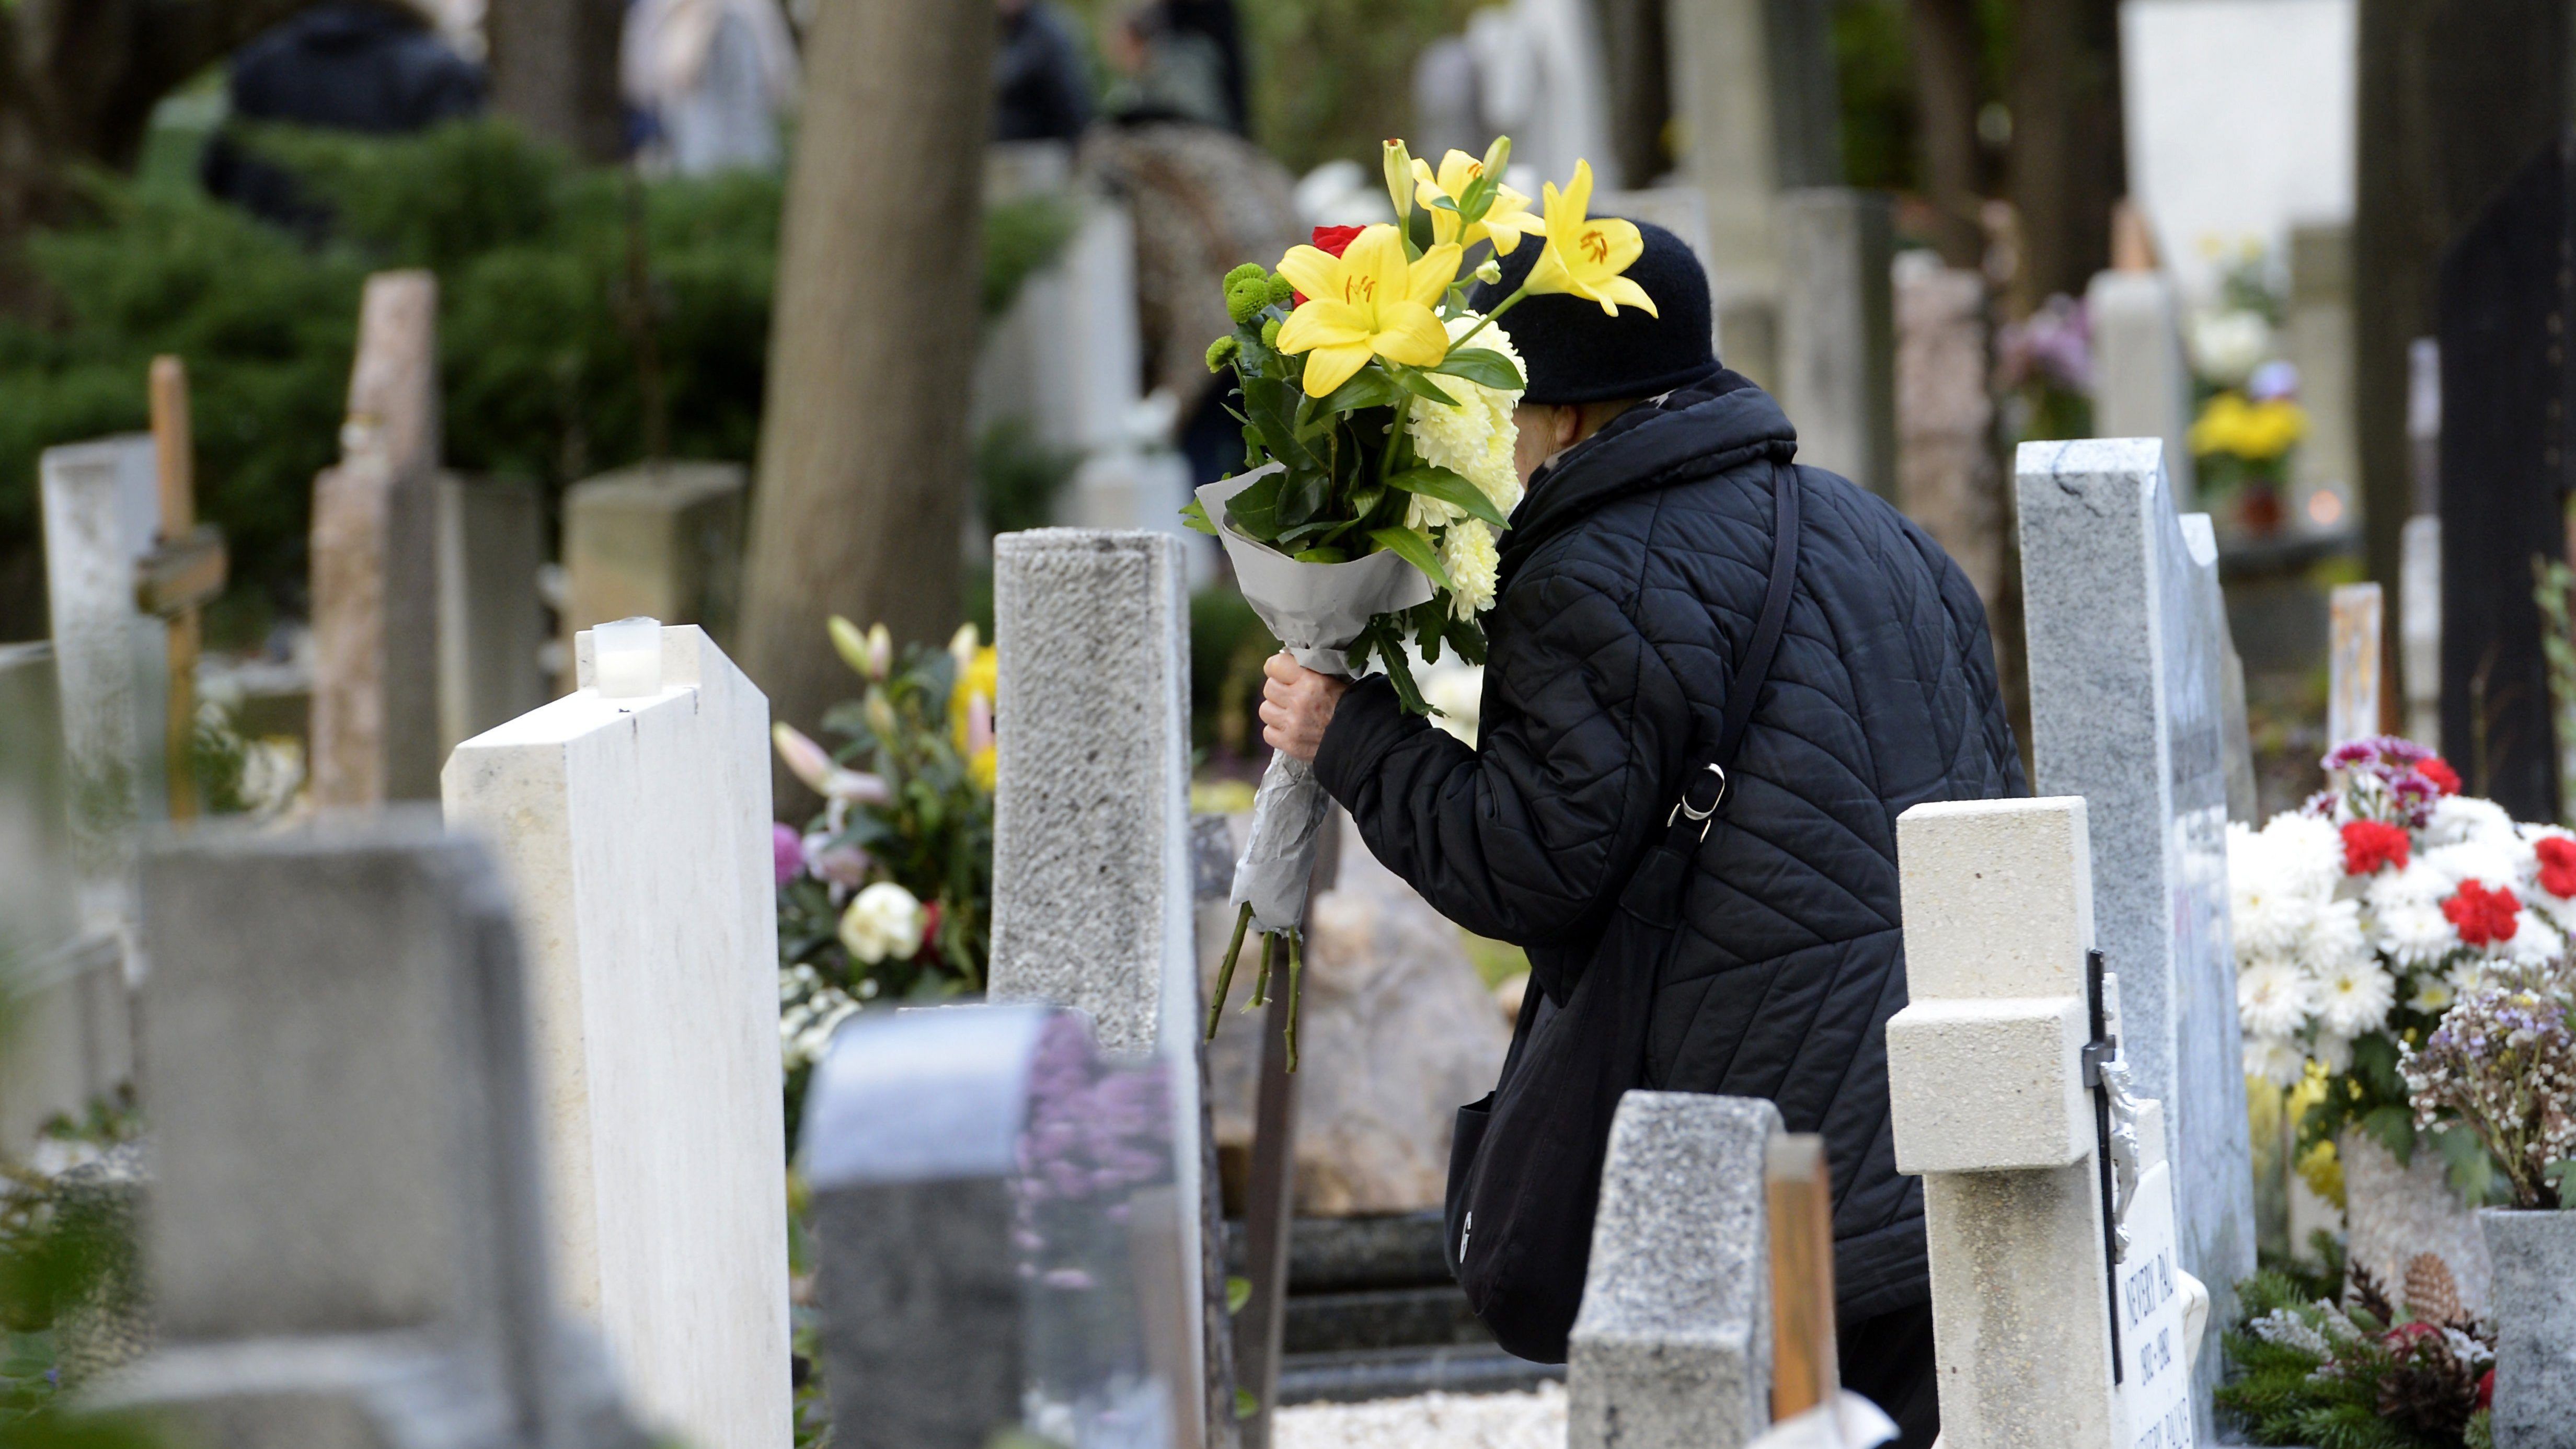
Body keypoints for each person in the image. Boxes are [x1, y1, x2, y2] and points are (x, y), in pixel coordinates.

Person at [1255, 223, 2023, 1449]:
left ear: (1562, 413)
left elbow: (1528, 865)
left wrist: (1351, 739)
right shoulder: (1886, 535)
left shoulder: (1591, 574)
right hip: (1972, 1130)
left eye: (1506, 405)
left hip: (1772, 1159)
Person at [202, 0, 485, 234]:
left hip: (269, 274)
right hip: (388, 282)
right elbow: (465, 194)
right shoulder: (439, 73)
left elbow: (218, 174)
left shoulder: (261, 63)